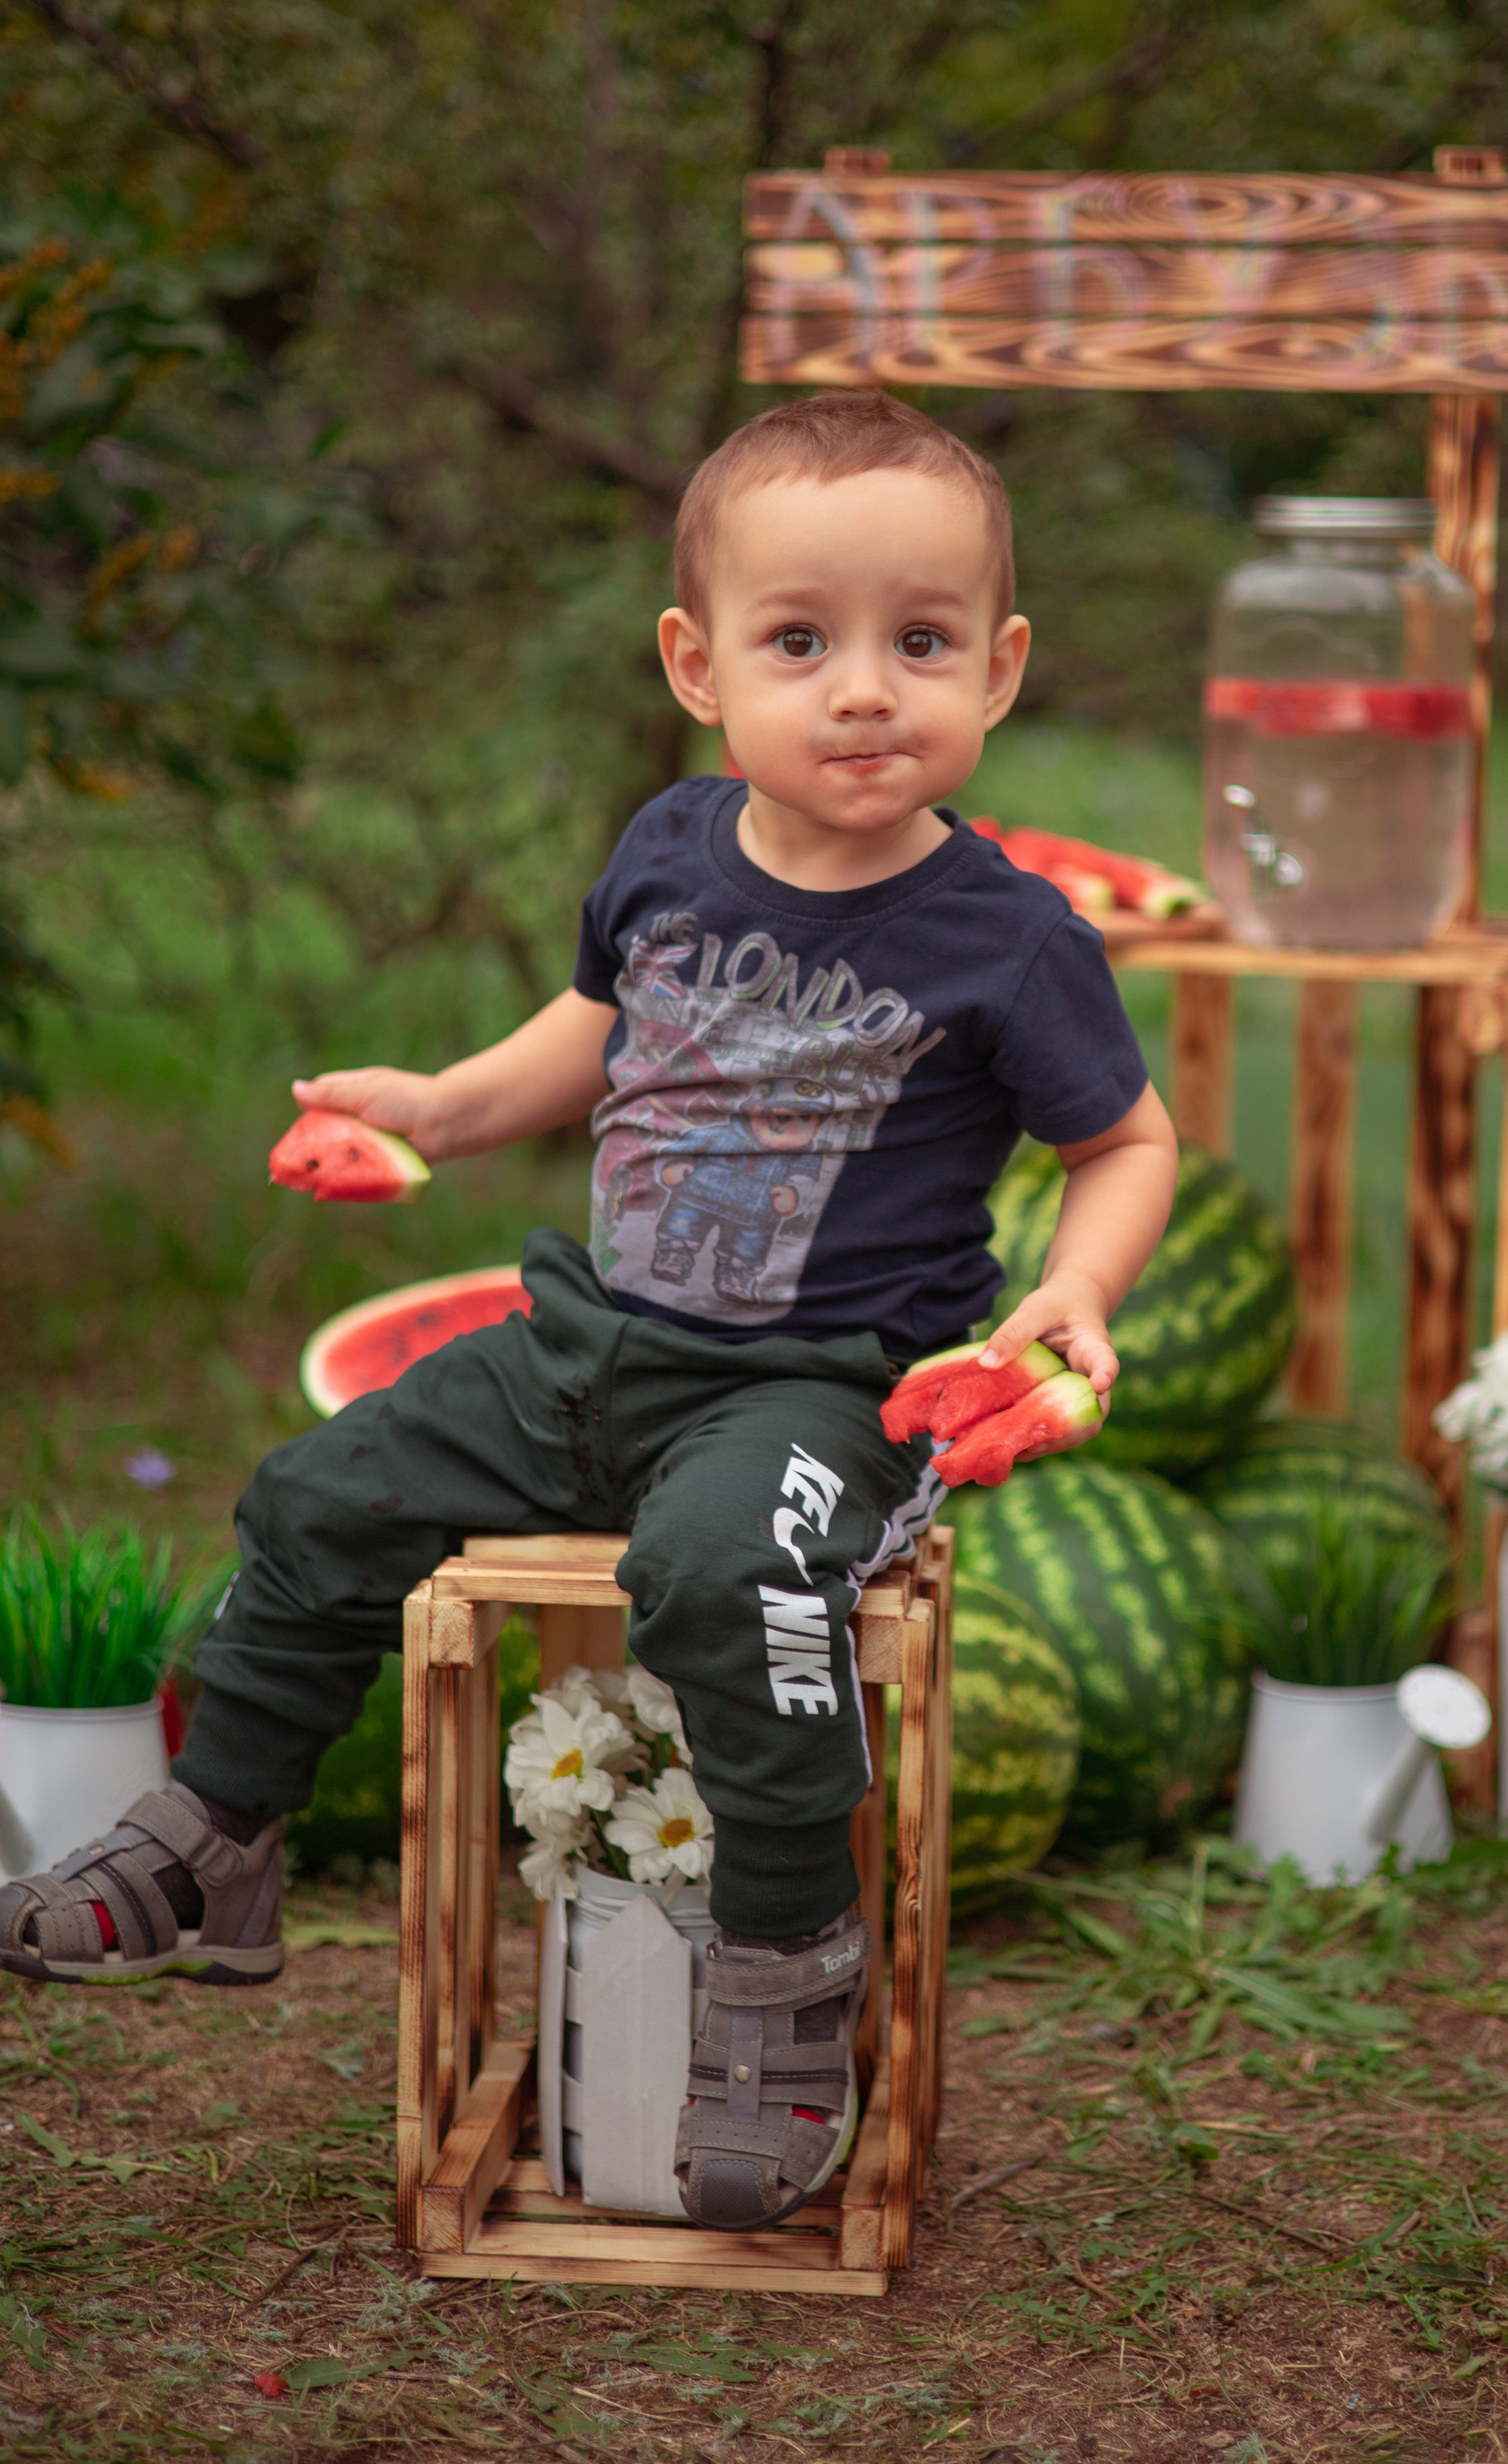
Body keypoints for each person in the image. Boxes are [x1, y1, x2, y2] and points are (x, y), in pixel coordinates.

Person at [0, 390, 1178, 2231]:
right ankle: (216, 1838)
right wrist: (447, 1108)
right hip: (591, 1350)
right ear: (697, 665)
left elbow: (1126, 1136)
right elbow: (604, 1027)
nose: (864, 688)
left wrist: (1076, 1293)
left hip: (819, 1392)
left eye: (921, 642)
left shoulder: (1006, 935)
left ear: (1000, 668)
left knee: (723, 1577)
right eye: (803, 641)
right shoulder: (671, 845)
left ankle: (788, 1970)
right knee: (316, 1498)